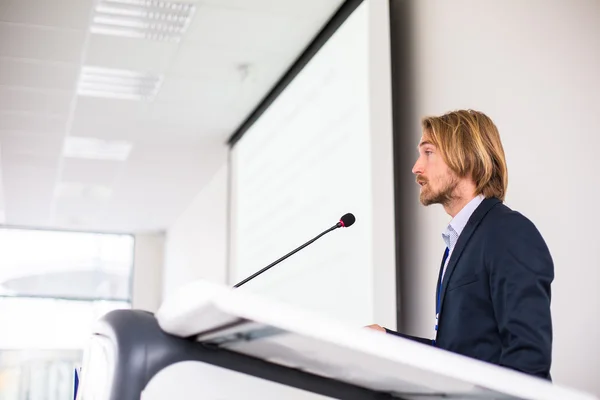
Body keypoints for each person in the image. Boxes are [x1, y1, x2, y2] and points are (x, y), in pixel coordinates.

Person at [368, 109, 553, 380]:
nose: (416, 167)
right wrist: (387, 340)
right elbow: (454, 355)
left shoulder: (508, 232)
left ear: (465, 157)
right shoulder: (456, 244)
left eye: (428, 152)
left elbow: (528, 362)